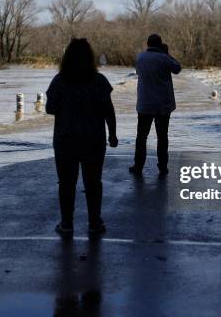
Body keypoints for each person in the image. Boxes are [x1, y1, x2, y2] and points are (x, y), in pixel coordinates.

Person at [46, 38, 118, 237]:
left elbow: (49, 108)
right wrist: (112, 133)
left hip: (65, 139)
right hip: (93, 139)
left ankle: (67, 223)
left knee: (66, 184)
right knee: (93, 183)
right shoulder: (99, 81)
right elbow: (108, 111)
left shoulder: (59, 81)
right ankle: (94, 222)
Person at [129, 34, 181, 176]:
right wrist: (167, 54)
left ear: (147, 44)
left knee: (141, 136)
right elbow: (177, 68)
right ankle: (162, 166)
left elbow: (139, 73)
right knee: (162, 136)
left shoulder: (140, 58)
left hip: (145, 103)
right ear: (160, 44)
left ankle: (138, 165)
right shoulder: (164, 58)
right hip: (162, 105)